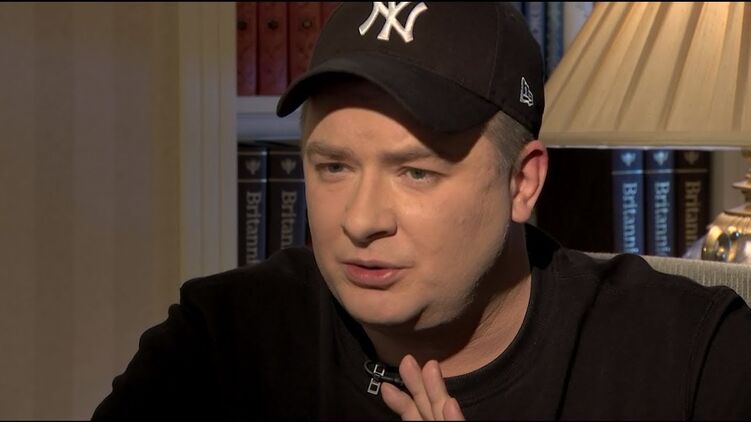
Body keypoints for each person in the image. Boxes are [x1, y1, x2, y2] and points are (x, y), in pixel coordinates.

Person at [92, 3, 751, 420]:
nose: (360, 221)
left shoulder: (690, 356)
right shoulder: (221, 340)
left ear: (522, 183)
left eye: (415, 172)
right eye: (334, 166)